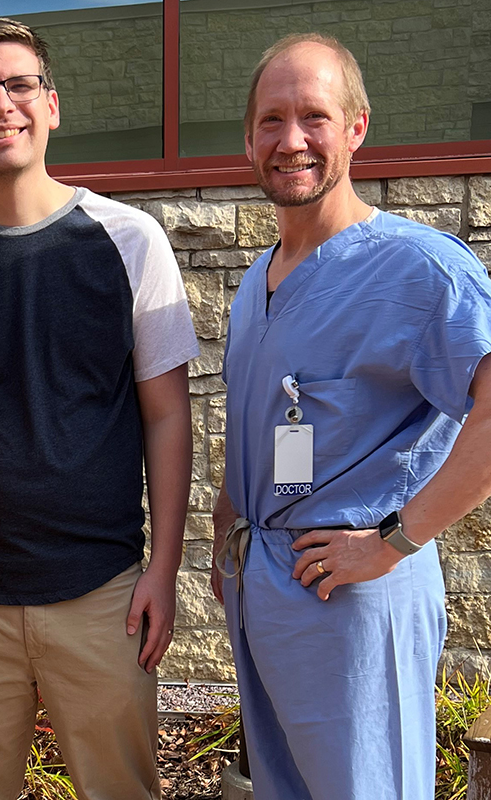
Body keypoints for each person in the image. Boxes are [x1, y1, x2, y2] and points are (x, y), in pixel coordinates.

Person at [0, 18, 198, 800]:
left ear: (52, 105)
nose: (3, 104)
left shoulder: (132, 241)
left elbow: (167, 414)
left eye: (20, 84)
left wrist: (162, 569)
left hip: (102, 594)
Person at [211, 33, 491, 800]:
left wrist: (396, 541)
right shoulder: (255, 283)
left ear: (357, 127)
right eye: (271, 120)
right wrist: (222, 539)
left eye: (314, 117)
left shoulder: (419, 268)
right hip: (261, 585)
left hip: (353, 597)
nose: (290, 140)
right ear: (248, 139)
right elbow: (254, 427)